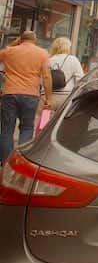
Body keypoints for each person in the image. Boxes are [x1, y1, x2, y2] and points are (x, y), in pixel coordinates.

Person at [0, 31, 52, 164]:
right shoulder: (42, 53)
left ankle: (5, 163)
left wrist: (13, 45)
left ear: (20, 40)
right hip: (30, 95)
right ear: (35, 41)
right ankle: (21, 162)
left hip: (9, 94)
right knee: (27, 128)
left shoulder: (9, 51)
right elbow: (46, 77)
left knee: (7, 129)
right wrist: (48, 98)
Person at [48, 37, 85, 113]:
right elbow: (80, 80)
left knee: (45, 121)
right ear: (68, 47)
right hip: (66, 96)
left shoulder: (48, 60)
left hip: (48, 96)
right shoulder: (73, 59)